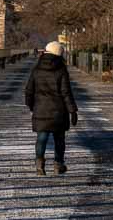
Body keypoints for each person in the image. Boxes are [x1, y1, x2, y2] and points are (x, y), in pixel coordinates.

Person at [24, 41, 78, 175]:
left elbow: (29, 90)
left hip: (41, 109)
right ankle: (58, 164)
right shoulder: (61, 70)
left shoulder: (37, 69)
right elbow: (66, 92)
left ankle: (39, 166)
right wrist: (72, 110)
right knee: (59, 139)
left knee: (41, 138)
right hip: (59, 111)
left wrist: (31, 106)